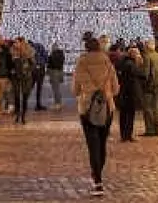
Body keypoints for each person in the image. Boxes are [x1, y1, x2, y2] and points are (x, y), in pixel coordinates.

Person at [73, 34, 119, 198]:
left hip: (87, 108)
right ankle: (98, 173)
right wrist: (105, 93)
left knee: (92, 144)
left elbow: (75, 90)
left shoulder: (82, 62)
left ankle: (97, 180)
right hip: (107, 107)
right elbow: (116, 89)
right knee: (102, 142)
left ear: (86, 48)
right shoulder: (107, 62)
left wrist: (87, 91)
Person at [116, 47, 145, 142]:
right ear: (133, 55)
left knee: (124, 115)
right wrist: (140, 65)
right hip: (130, 92)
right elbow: (141, 74)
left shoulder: (124, 62)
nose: (138, 55)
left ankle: (124, 135)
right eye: (137, 54)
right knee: (130, 114)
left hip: (124, 92)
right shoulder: (131, 64)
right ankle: (127, 135)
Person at [140, 40, 158, 137]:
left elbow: (146, 73)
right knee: (156, 107)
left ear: (147, 47)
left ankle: (150, 130)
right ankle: (157, 129)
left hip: (149, 85)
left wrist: (143, 83)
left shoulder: (147, 57)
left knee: (147, 107)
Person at [47, 43, 66, 111]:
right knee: (57, 89)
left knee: (55, 89)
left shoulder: (52, 55)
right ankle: (59, 102)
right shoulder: (61, 55)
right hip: (60, 72)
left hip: (54, 73)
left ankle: (57, 104)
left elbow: (50, 64)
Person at [31, 40, 49, 111]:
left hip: (34, 70)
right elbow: (46, 58)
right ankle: (38, 104)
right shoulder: (40, 47)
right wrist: (41, 64)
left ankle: (24, 103)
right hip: (40, 70)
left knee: (29, 87)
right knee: (38, 88)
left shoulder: (35, 48)